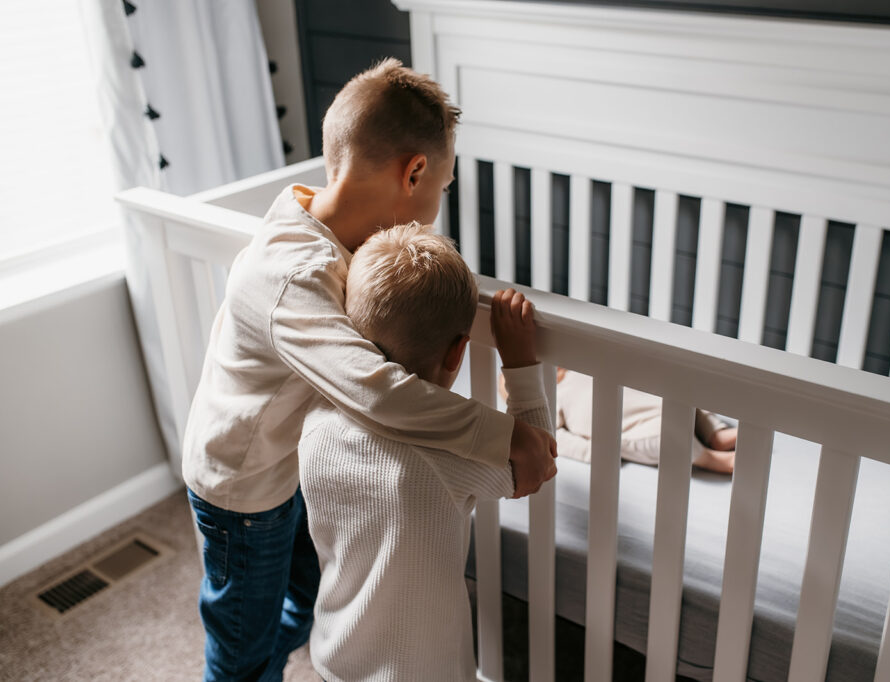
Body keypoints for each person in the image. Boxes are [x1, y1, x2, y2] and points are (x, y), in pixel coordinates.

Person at [181, 59, 556, 681]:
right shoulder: (292, 275)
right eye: (444, 184)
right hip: (241, 490)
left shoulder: (329, 231)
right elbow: (378, 391)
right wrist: (505, 432)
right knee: (242, 643)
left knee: (306, 599)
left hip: (290, 465)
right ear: (414, 172)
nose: (439, 198)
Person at [298, 224, 551, 682]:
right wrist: (519, 364)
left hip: (336, 655)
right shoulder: (452, 453)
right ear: (458, 353)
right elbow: (537, 461)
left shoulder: (315, 423)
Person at [549, 369, 737, 474]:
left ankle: (716, 434)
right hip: (633, 427)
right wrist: (593, 451)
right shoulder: (552, 394)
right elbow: (557, 437)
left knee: (686, 393)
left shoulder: (581, 363)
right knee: (666, 437)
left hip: (657, 402)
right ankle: (711, 459)